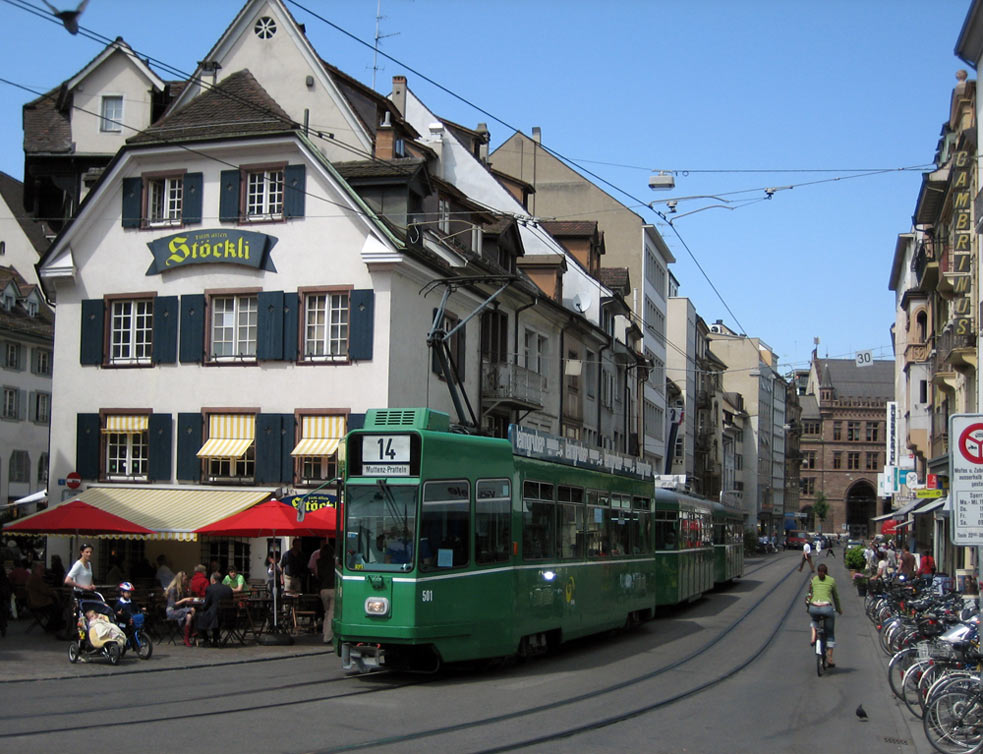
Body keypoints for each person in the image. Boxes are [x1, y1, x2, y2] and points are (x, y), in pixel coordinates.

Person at [806, 562, 843, 667]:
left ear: (818, 572)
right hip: (826, 608)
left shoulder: (814, 580)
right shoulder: (831, 580)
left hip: (814, 607)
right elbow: (835, 597)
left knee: (814, 619)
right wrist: (839, 609)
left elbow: (809, 594)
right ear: (826, 572)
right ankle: (830, 658)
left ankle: (814, 635)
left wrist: (808, 608)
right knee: (830, 633)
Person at [196, 572, 233, 646]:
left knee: (198, 616)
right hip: (229, 616)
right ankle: (215, 638)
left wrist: (199, 608)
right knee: (214, 613)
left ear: (213, 580)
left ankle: (206, 639)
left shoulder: (210, 589)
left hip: (215, 616)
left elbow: (206, 605)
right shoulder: (228, 589)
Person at [165, 571, 197, 647]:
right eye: (185, 579)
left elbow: (186, 601)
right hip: (172, 610)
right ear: (180, 579)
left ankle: (187, 637)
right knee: (192, 610)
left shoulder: (182, 589)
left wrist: (189, 588)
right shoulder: (173, 590)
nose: (185, 581)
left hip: (180, 609)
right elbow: (173, 604)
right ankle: (192, 631)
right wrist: (185, 600)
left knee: (189, 616)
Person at [27, 562, 62, 631]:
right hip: (38, 602)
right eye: (41, 570)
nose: (43, 572)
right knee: (57, 607)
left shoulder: (32, 577)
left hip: (35, 600)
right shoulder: (36, 578)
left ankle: (53, 625)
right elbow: (45, 590)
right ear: (36, 570)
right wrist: (53, 592)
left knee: (56, 605)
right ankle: (53, 626)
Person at [316, 540, 336, 645]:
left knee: (327, 612)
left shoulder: (319, 562)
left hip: (323, 590)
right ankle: (328, 637)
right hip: (333, 589)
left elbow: (318, 575)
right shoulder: (335, 562)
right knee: (332, 613)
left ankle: (325, 632)